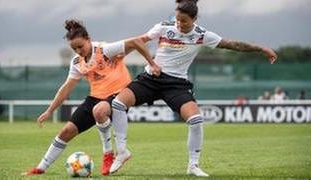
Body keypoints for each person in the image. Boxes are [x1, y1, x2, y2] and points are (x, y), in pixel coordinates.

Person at [109, 0, 277, 177]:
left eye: (184, 21)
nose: (179, 24)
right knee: (118, 104)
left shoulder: (202, 35)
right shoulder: (164, 27)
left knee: (196, 120)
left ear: (195, 19)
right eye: (177, 19)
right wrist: (124, 53)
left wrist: (261, 48)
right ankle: (122, 151)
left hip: (176, 84)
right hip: (151, 78)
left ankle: (193, 165)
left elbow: (233, 45)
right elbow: (138, 41)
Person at [22, 19, 159, 176]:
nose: (78, 51)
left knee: (99, 111)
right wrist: (49, 111)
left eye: (80, 46)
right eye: (74, 49)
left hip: (118, 95)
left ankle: (108, 154)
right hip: (95, 97)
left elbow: (135, 41)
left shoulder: (104, 50)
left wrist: (152, 64)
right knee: (66, 131)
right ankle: (40, 168)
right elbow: (66, 88)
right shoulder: (77, 62)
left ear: (89, 39)